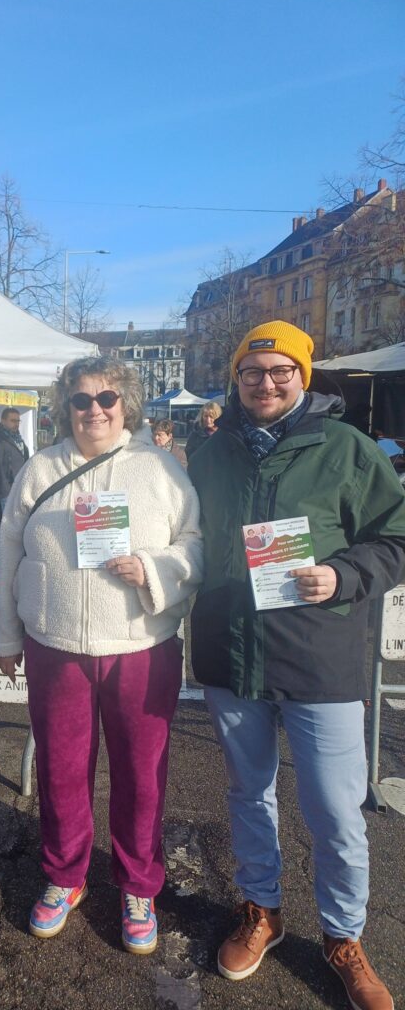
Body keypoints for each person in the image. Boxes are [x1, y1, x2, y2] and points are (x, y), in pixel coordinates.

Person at [187, 320, 405, 1010]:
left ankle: (343, 937)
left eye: (282, 370)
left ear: (303, 376)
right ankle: (263, 911)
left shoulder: (346, 448)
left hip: (320, 655)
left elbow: (396, 536)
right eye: (253, 372)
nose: (267, 382)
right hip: (232, 654)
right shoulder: (210, 453)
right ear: (236, 379)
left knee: (335, 810)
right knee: (249, 794)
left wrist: (343, 576)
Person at [0, 355, 202, 953]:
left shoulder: (159, 469)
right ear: (65, 408)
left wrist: (156, 568)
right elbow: (9, 552)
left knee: (141, 773)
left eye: (107, 398)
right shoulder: (39, 469)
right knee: (60, 770)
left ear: (125, 405)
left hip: (140, 645)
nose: (95, 410)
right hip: (57, 646)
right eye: (81, 400)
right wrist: (5, 636)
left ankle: (138, 886)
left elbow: (196, 544)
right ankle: (64, 876)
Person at [0, 407, 29, 507]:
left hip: (19, 489)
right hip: (5, 493)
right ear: (3, 421)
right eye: (13, 421)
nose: (16, 424)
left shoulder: (18, 438)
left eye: (18, 421)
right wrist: (5, 491)